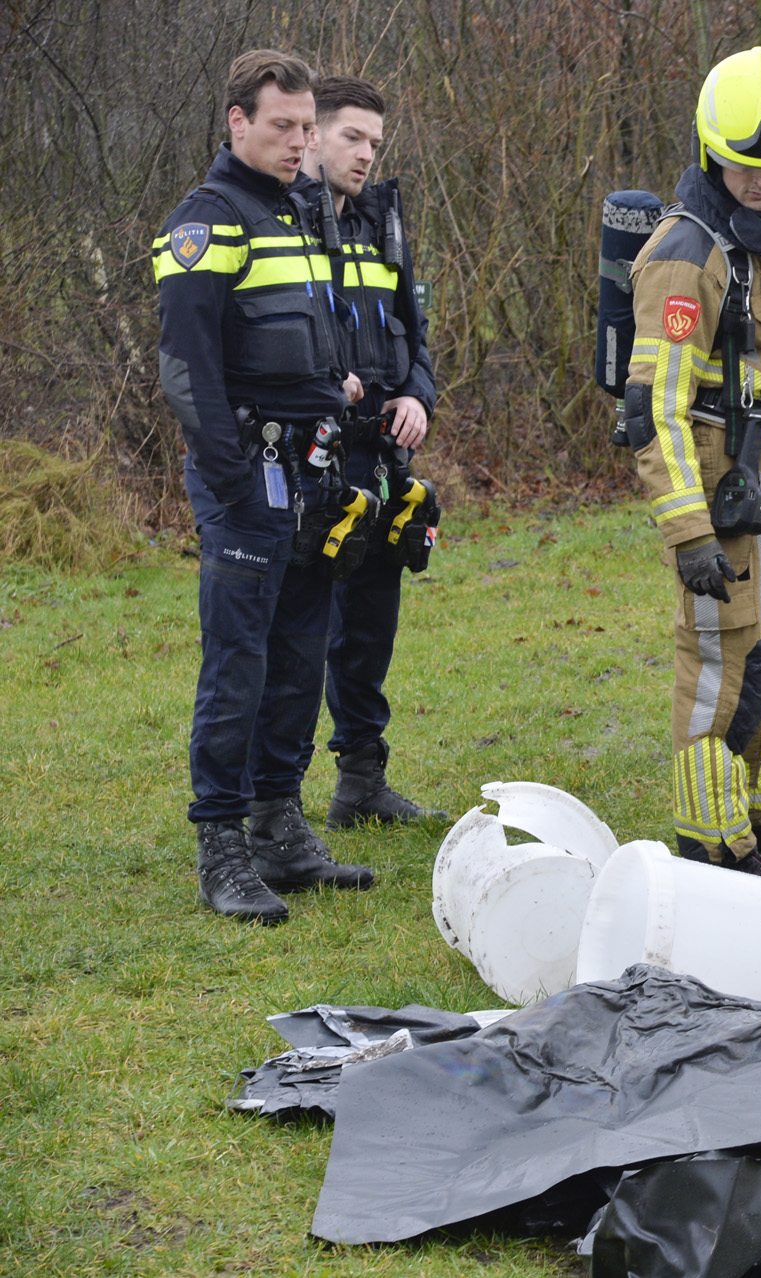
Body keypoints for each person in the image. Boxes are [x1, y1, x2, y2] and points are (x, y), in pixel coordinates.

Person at [152, 49, 374, 923]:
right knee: (238, 661)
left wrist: (335, 394)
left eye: (305, 126)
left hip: (313, 474)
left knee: (298, 655)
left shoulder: (302, 216)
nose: (298, 141)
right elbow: (185, 368)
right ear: (237, 121)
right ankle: (222, 845)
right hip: (245, 477)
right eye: (281, 125)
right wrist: (231, 477)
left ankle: (280, 825)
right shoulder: (204, 223)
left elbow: (297, 340)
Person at [625, 46, 761, 882]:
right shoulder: (688, 252)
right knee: (729, 662)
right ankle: (710, 838)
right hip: (722, 483)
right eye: (744, 167)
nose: (760, 183)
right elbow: (656, 405)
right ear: (709, 150)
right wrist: (687, 530)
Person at [298, 74, 448, 829]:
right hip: (311, 464)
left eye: (375, 143)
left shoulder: (382, 223)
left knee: (369, 631)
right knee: (302, 634)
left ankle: (361, 782)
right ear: (312, 133)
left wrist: (418, 394)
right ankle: (273, 807)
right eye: (351, 137)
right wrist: (329, 387)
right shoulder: (281, 224)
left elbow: (417, 340)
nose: (365, 155)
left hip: (384, 465)